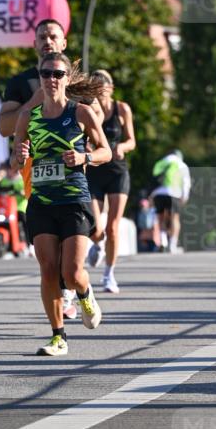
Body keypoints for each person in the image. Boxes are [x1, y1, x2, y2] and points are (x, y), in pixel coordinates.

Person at [0, 18, 104, 321]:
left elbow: (96, 121)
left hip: (72, 178)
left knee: (73, 262)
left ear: (64, 42)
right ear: (34, 44)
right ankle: (60, 322)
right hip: (35, 178)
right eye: (42, 36)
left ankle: (73, 287)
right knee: (49, 261)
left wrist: (82, 147)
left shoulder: (73, 82)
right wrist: (36, 101)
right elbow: (4, 127)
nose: (47, 41)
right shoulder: (22, 83)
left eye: (53, 36)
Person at [12, 52, 111, 357]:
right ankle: (58, 337)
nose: (51, 79)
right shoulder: (28, 117)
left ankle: (85, 293)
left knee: (71, 272)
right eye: (46, 74)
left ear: (67, 79)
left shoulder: (81, 113)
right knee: (48, 269)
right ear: (40, 79)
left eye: (57, 74)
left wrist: (84, 157)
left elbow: (106, 151)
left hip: (74, 200)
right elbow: (17, 161)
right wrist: (20, 156)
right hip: (41, 201)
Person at [85, 69, 136, 293]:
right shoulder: (88, 110)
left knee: (113, 227)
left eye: (103, 88)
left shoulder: (122, 109)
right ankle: (97, 244)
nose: (100, 93)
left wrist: (122, 147)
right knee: (95, 228)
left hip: (117, 172)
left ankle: (109, 274)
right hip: (95, 172)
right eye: (96, 89)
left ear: (111, 88)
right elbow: (82, 137)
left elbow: (132, 140)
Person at [151, 148, 191, 254]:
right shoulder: (182, 164)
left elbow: (153, 177)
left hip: (158, 193)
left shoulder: (161, 162)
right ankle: (173, 245)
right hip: (174, 193)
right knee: (175, 218)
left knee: (161, 217)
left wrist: (151, 195)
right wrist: (184, 197)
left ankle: (163, 241)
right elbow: (186, 183)